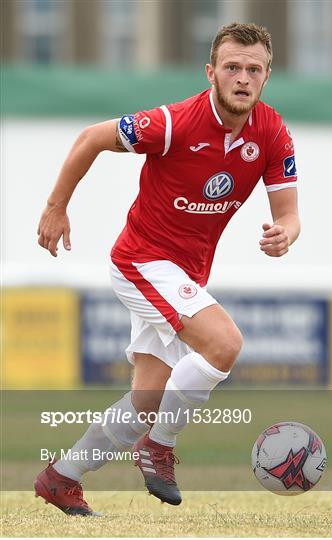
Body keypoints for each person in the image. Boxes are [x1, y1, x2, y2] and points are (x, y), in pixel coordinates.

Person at [34, 22, 300, 516]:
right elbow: (92, 137)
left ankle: (61, 476)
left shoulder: (272, 132)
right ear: (211, 73)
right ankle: (159, 446)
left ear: (267, 75)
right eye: (232, 67)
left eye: (253, 69)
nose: (242, 77)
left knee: (145, 403)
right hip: (141, 261)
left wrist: (287, 232)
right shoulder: (174, 122)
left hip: (185, 276)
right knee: (224, 344)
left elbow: (289, 212)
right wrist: (56, 206)